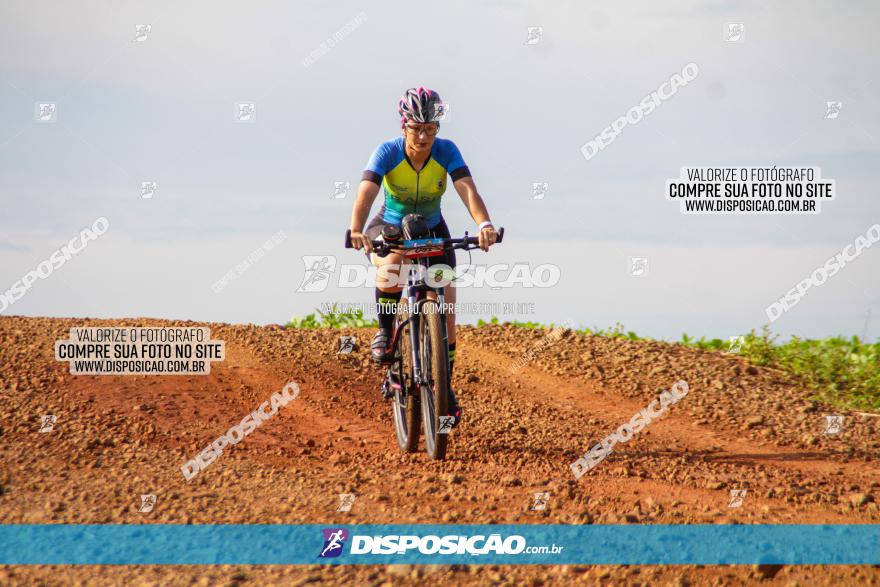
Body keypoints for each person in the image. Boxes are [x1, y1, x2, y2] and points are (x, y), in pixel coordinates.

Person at [348, 87, 498, 427]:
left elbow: (466, 189)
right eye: (417, 128)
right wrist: (356, 229)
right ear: (404, 126)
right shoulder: (387, 152)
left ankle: (445, 387)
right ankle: (386, 332)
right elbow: (365, 195)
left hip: (432, 229)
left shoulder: (446, 151)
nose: (424, 135)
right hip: (388, 227)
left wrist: (484, 223)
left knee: (446, 309)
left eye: (431, 128)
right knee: (391, 270)